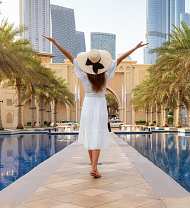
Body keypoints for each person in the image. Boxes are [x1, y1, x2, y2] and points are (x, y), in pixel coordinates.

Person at [43, 35, 147, 178]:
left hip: (88, 104)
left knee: (90, 134)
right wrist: (135, 48)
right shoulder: (106, 74)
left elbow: (69, 56)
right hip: (99, 104)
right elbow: (121, 58)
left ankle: (94, 168)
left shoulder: (84, 75)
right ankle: (94, 168)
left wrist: (55, 42)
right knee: (97, 134)